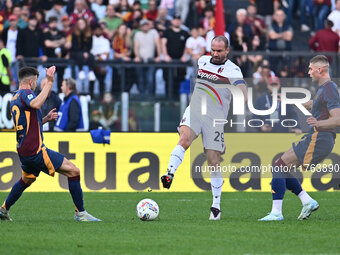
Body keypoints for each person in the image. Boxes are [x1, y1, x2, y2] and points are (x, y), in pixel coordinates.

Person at [161, 36, 247, 220]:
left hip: (215, 118)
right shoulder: (202, 61)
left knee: (213, 161)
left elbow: (242, 90)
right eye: (212, 50)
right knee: (184, 139)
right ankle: (169, 174)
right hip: (196, 111)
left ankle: (216, 206)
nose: (214, 54)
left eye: (218, 51)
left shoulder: (233, 70)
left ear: (227, 50)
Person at [0, 66, 100, 222]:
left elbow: (27, 121)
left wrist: (44, 119)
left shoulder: (15, 96)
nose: (36, 85)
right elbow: (36, 104)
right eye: (36, 82)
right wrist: (50, 82)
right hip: (35, 150)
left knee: (27, 179)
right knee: (74, 171)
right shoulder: (27, 93)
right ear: (31, 81)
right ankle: (81, 214)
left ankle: (4, 209)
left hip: (23, 150)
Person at [259, 55, 340, 221]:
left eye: (311, 69)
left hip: (320, 137)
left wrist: (319, 122)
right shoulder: (325, 88)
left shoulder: (330, 89)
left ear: (320, 70)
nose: (308, 72)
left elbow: (338, 118)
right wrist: (291, 101)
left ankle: (277, 213)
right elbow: (312, 104)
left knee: (279, 166)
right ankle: (307, 201)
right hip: (318, 136)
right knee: (281, 166)